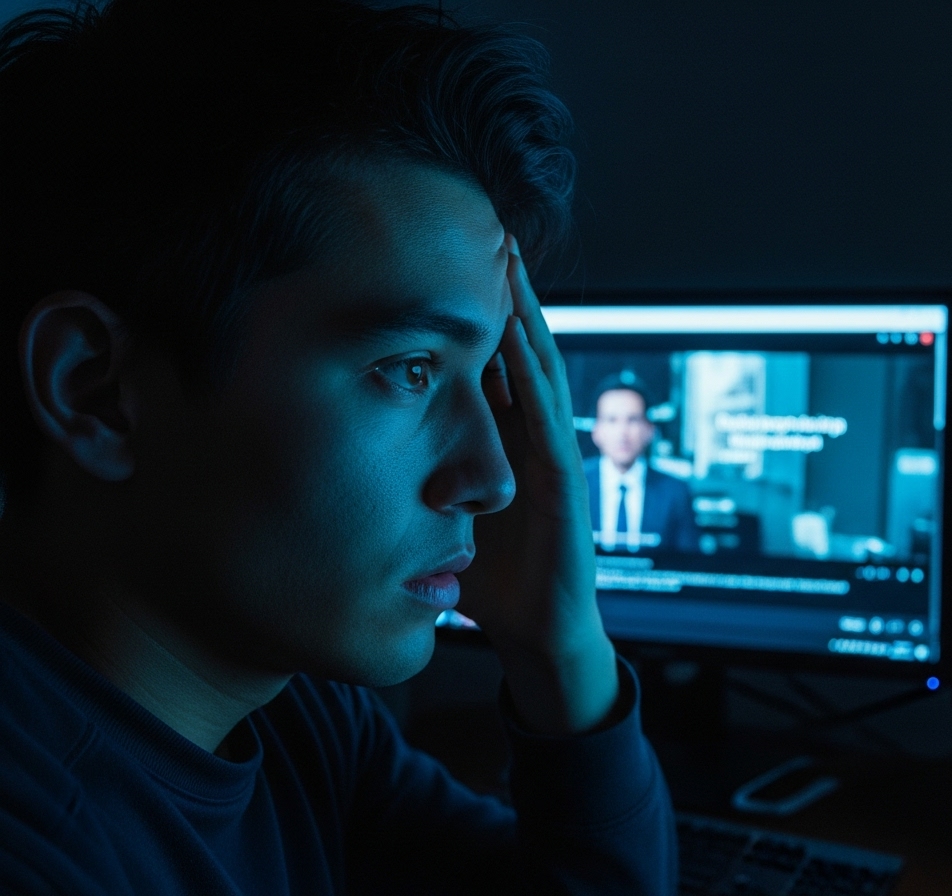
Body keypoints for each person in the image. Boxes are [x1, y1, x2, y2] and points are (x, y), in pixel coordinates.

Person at [0, 1, 675, 893]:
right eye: (410, 369)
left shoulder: (296, 713)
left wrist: (563, 649)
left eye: (489, 379)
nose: (495, 479)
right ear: (97, 393)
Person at [585, 376, 699, 553]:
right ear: (596, 431)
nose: (622, 433)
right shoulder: (571, 487)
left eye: (632, 420)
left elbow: (689, 562)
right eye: (612, 420)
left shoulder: (675, 492)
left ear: (649, 429)